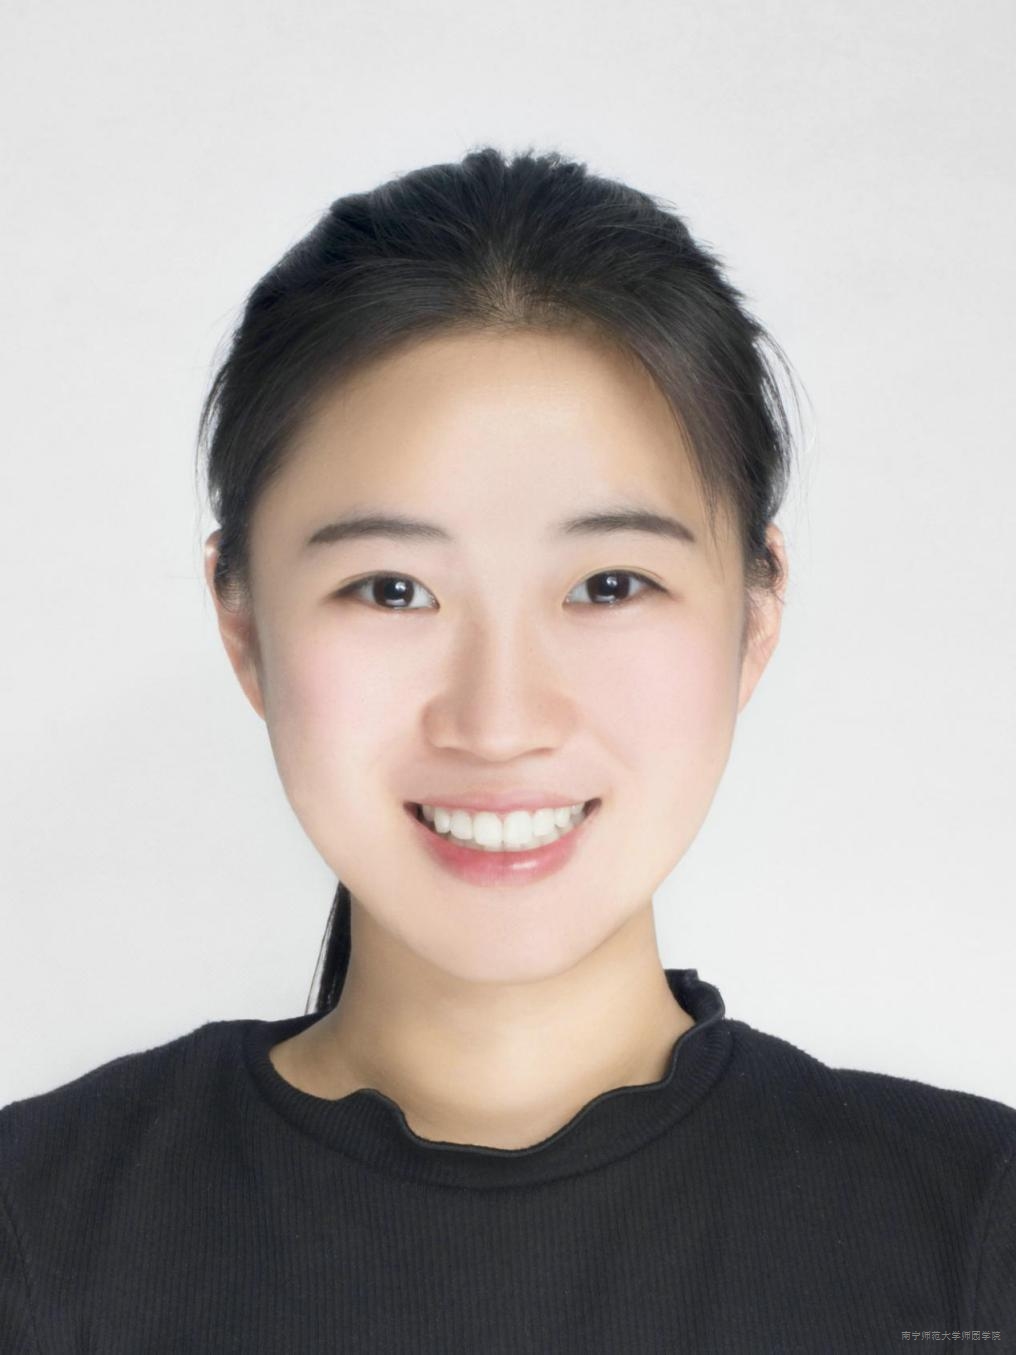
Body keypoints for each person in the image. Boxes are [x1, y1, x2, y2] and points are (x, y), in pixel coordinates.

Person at [2, 145, 1013, 1353]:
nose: (496, 719)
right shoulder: (37, 1229)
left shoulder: (970, 1234)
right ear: (244, 624)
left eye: (607, 583)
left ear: (753, 615)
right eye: (391, 588)